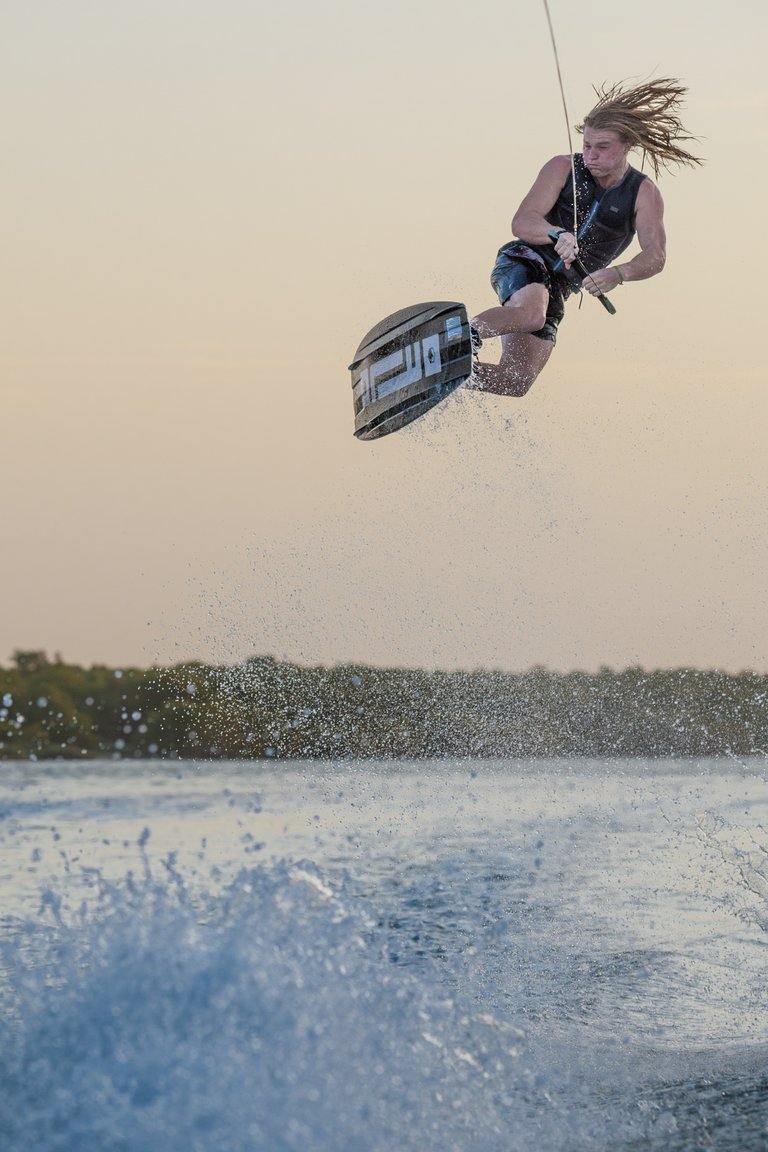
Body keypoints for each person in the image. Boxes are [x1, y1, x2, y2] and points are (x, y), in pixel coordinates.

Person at [470, 79, 703, 397]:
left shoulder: (643, 193)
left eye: (602, 147)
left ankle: (445, 377)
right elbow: (522, 221)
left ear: (627, 146)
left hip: (561, 287)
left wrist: (619, 273)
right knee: (531, 314)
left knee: (516, 381)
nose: (591, 155)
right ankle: (459, 338)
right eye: (587, 145)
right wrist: (556, 233)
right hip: (526, 259)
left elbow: (655, 256)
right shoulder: (563, 167)